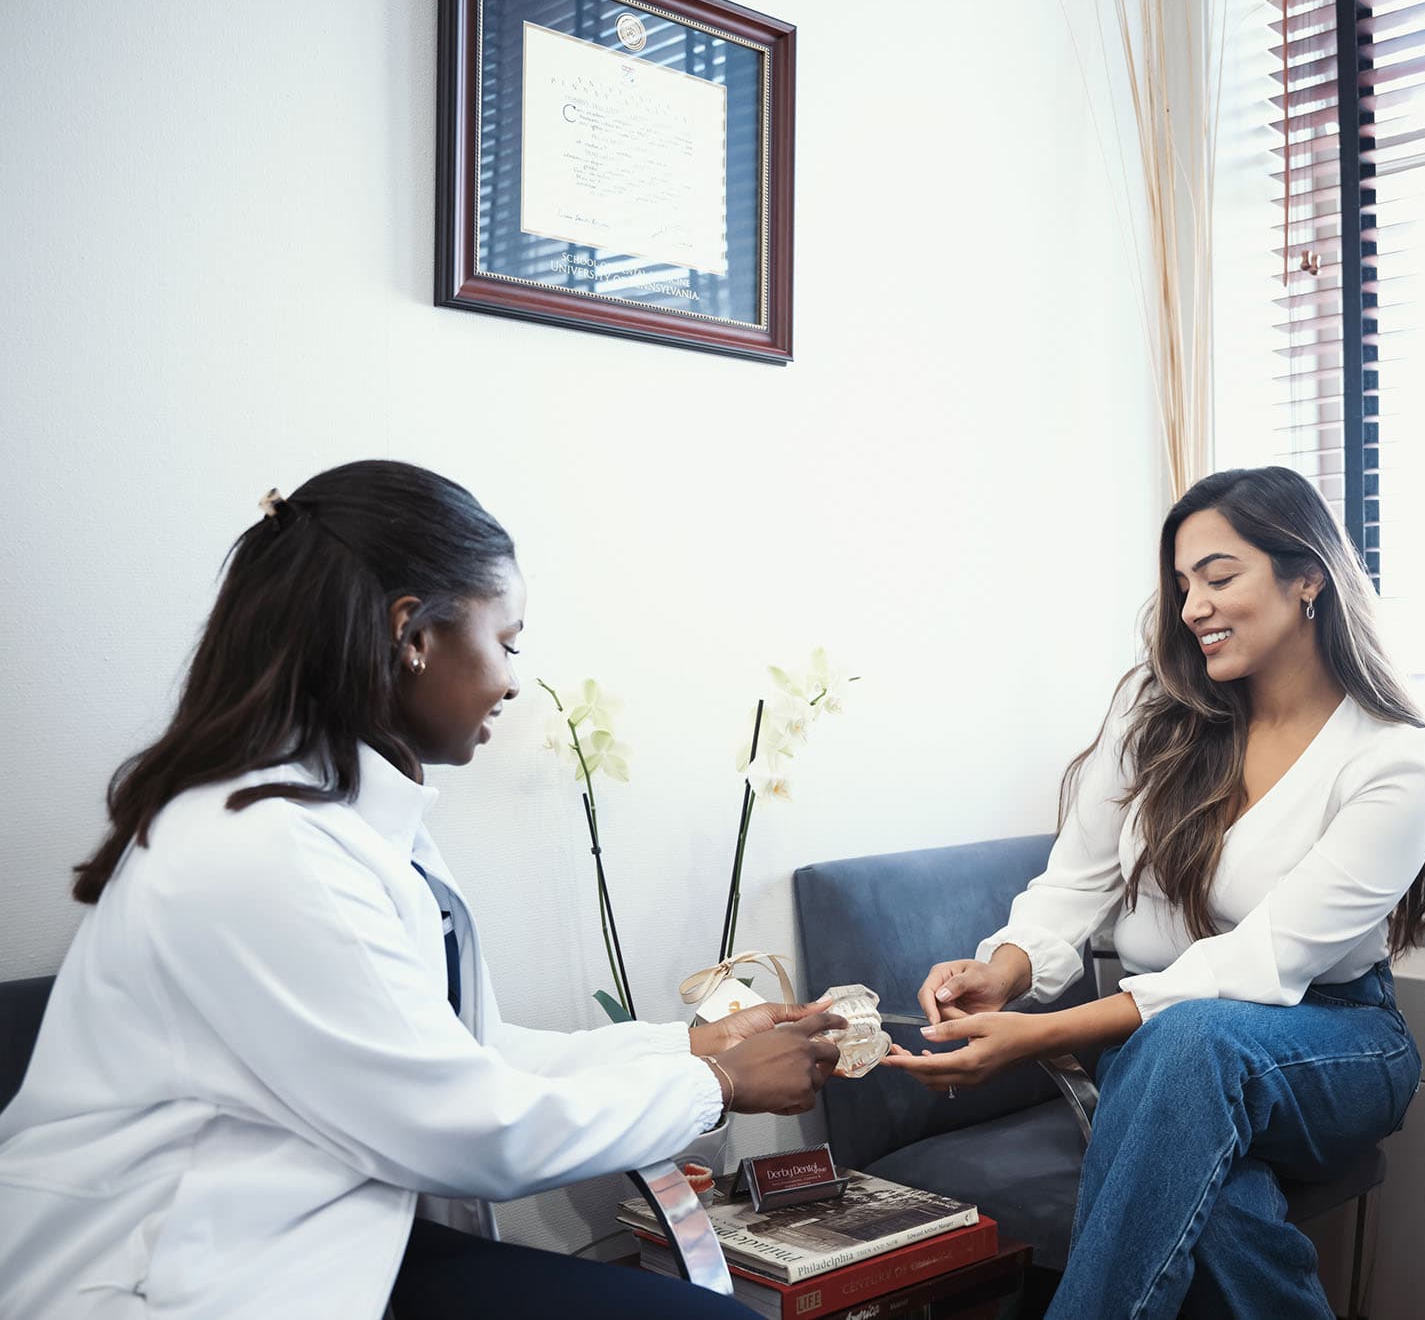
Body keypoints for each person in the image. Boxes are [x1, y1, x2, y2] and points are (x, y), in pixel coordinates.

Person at [0, 461, 843, 1319]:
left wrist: (690, 1049)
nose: (514, 680)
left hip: (318, 1232)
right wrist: (720, 1086)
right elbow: (470, 1126)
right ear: (413, 634)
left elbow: (470, 1053)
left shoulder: (344, 814)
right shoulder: (263, 849)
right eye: (507, 643)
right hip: (172, 1280)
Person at [883, 466, 1425, 1320]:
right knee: (1219, 1199)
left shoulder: (1395, 757)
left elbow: (1263, 961)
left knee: (1189, 1044)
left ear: (1308, 576)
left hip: (1333, 1042)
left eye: (1220, 576)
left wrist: (1038, 1034)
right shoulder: (1156, 713)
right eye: (1183, 583)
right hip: (1163, 1052)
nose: (1193, 605)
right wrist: (1004, 971)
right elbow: (1075, 880)